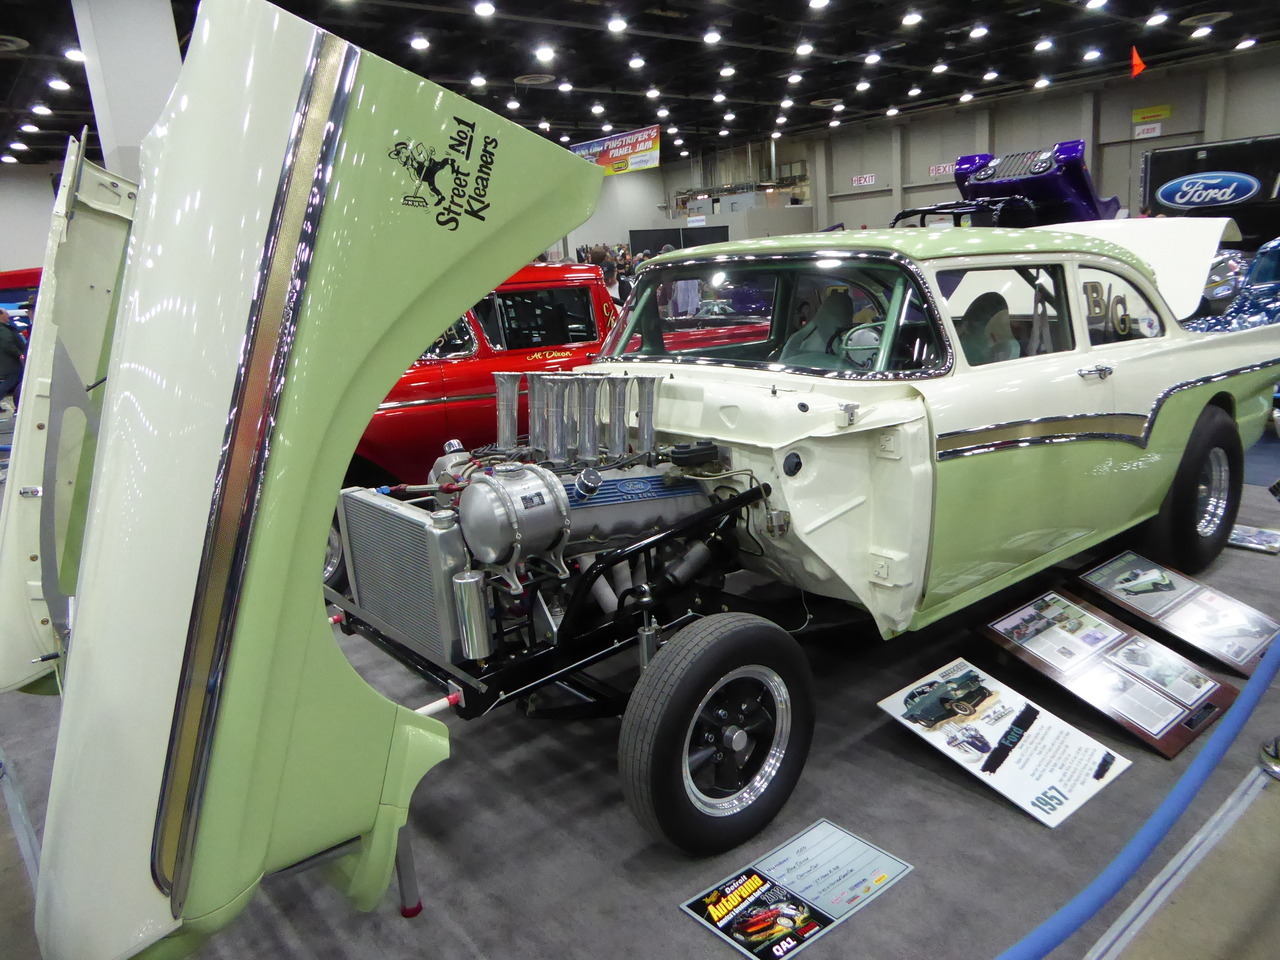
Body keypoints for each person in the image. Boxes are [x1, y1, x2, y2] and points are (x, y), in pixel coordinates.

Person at [0, 308, 26, 412]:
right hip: (10, 362)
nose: (8, 316)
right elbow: (7, 343)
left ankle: (20, 404)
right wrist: (19, 354)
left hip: (7, 362)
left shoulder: (5, 328)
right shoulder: (3, 329)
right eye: (6, 314)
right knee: (10, 382)